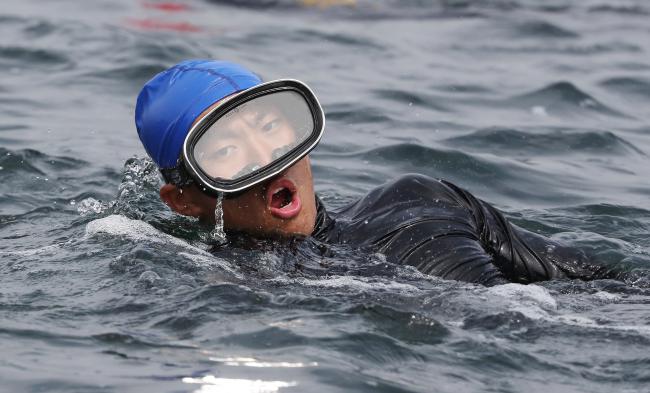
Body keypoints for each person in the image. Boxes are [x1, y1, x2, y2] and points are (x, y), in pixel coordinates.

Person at [135, 59, 621, 286]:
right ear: (182, 200)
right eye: (227, 150)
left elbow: (610, 285)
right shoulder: (210, 284)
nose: (268, 158)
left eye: (270, 126)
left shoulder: (420, 206)